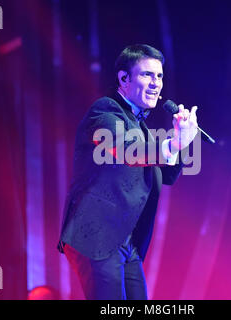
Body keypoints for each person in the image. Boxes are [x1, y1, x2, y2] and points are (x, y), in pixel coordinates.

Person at [57, 44, 198, 300]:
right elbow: (128, 152)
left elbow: (167, 175)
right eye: (147, 75)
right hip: (96, 235)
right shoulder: (105, 110)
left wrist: (182, 140)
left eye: (160, 76)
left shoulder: (140, 126)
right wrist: (175, 143)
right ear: (124, 79)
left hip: (126, 243)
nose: (156, 83)